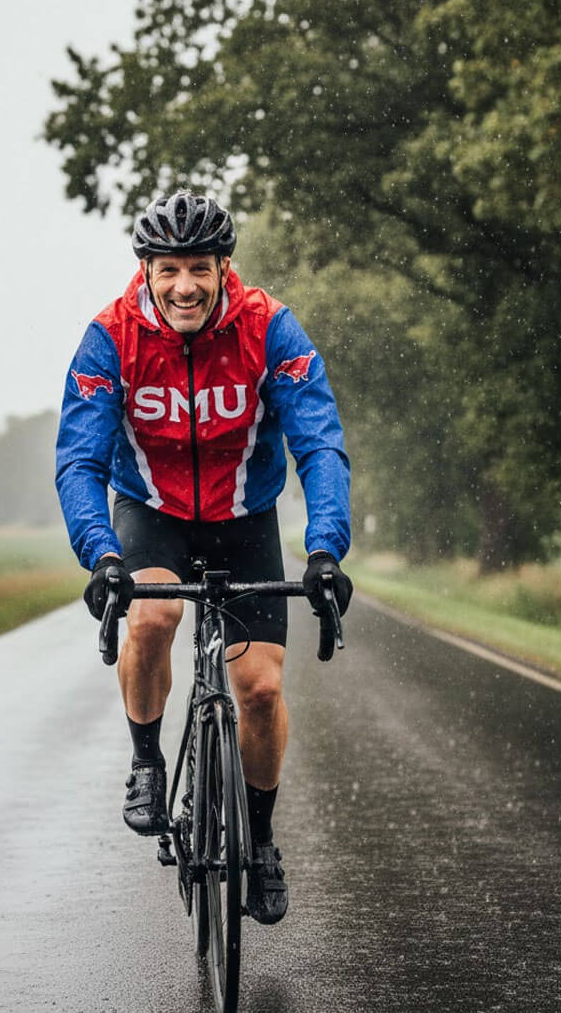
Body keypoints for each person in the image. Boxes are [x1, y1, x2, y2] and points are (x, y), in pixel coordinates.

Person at [55, 191, 352, 925]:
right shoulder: (110, 338)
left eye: (198, 268)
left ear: (226, 267)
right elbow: (79, 461)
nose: (183, 285)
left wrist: (323, 549)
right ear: (146, 273)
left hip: (244, 516)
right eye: (167, 270)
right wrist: (101, 555)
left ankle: (262, 838)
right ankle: (148, 762)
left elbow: (318, 444)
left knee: (258, 689)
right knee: (152, 615)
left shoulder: (271, 330)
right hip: (151, 512)